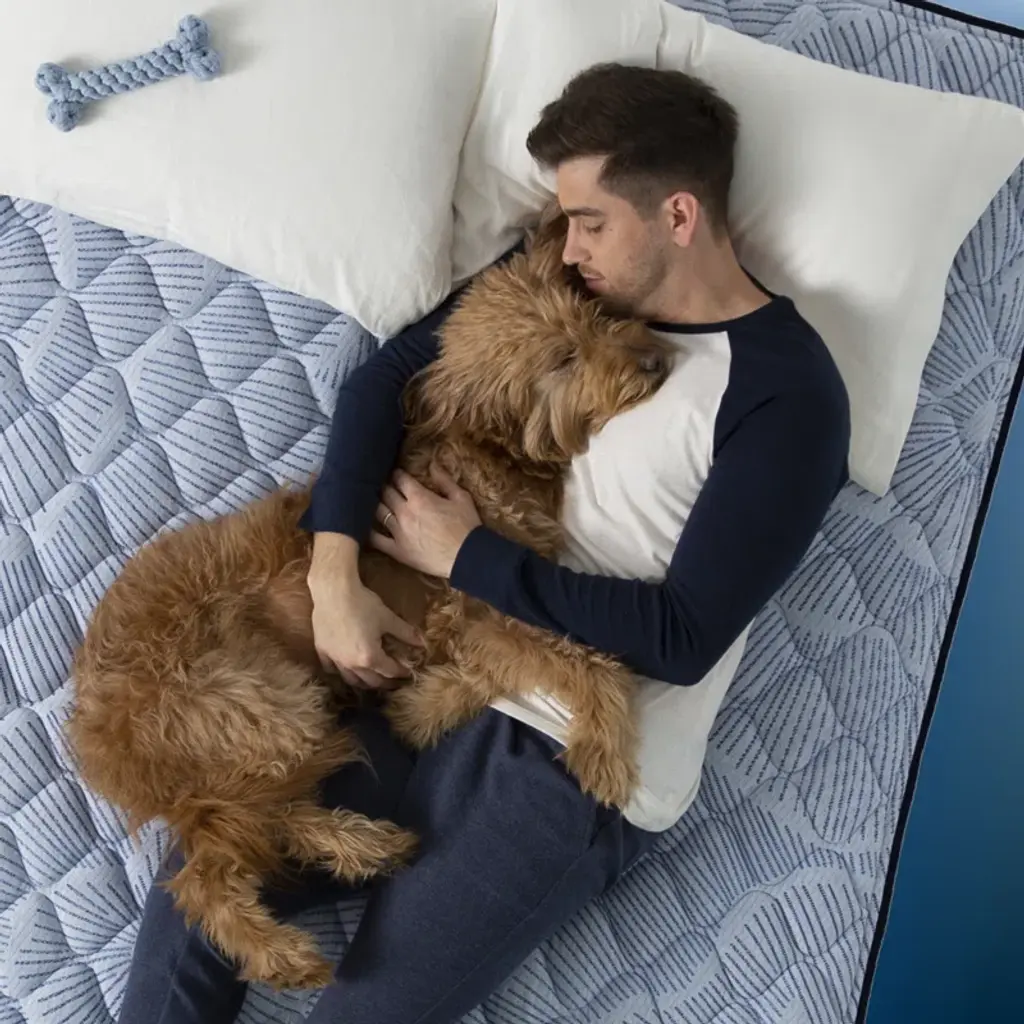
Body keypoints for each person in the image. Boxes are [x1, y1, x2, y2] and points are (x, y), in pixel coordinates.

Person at [118, 64, 850, 1024]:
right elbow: (386, 382)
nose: (567, 244)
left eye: (591, 222)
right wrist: (334, 573)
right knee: (200, 898)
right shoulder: (567, 287)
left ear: (678, 215)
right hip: (432, 684)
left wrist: (461, 555)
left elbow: (682, 637)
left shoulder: (786, 397)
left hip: (564, 755)